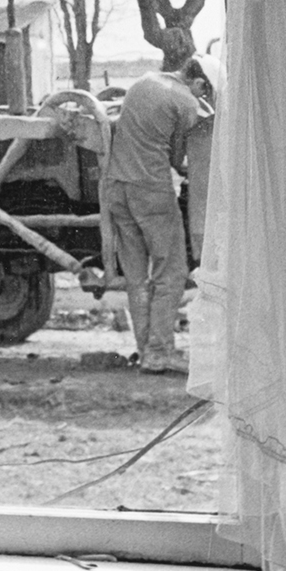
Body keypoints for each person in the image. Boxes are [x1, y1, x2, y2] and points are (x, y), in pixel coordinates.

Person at [100, 30, 216, 376]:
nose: (203, 97)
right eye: (205, 92)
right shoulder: (186, 103)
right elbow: (178, 158)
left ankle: (146, 350)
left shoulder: (143, 82)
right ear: (198, 82)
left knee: (137, 277)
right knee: (172, 272)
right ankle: (159, 352)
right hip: (150, 190)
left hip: (117, 188)